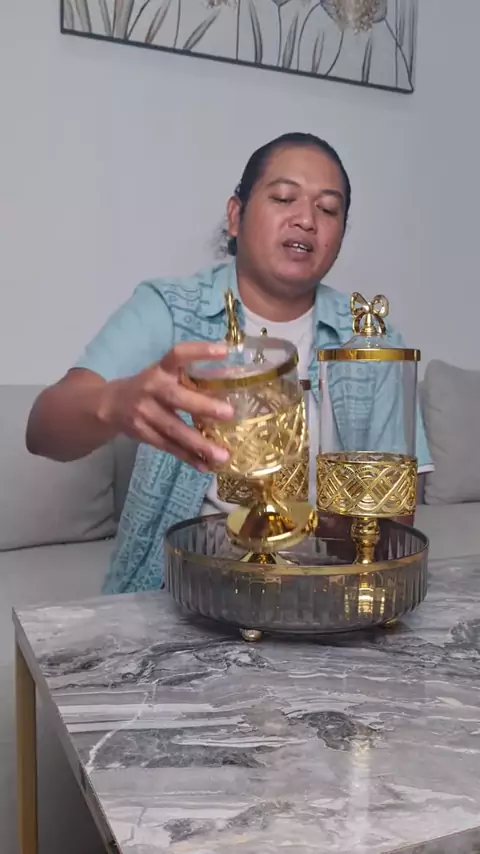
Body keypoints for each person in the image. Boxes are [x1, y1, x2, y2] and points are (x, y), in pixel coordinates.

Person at [26, 132, 432, 594]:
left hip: (323, 598)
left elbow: (395, 523)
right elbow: (43, 431)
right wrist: (115, 403)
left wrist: (340, 525)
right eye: (283, 198)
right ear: (236, 216)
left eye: (327, 209)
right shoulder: (172, 310)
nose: (306, 220)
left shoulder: (372, 341)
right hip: (178, 595)